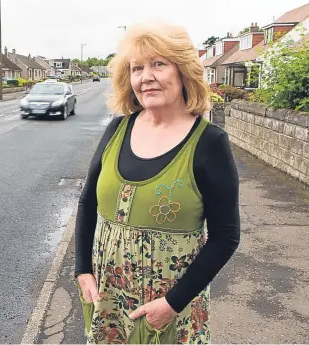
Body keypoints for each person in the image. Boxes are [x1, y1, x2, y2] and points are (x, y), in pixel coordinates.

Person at [74, 21, 241, 344]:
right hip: (108, 305)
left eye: (158, 64)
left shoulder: (209, 143)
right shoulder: (117, 129)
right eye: (137, 68)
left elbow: (226, 237)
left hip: (169, 313)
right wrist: (83, 270)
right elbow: (87, 202)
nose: (145, 77)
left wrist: (171, 304)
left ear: (183, 72)